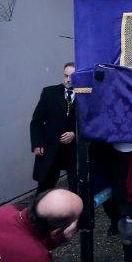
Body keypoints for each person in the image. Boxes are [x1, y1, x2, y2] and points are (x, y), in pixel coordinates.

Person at [30, 62, 78, 194]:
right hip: (51, 147)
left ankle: (74, 211)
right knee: (45, 186)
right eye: (65, 75)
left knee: (76, 185)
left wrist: (74, 133)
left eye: (72, 76)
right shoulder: (49, 93)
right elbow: (37, 121)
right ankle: (39, 212)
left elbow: (89, 122)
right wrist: (37, 143)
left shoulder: (85, 96)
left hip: (73, 149)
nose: (68, 79)